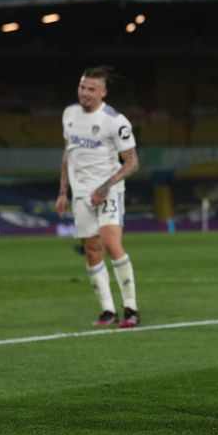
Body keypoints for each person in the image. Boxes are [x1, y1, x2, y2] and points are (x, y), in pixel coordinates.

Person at [56, 65, 141, 328]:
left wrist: (105, 187)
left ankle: (131, 309)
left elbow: (132, 162)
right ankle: (107, 310)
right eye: (82, 87)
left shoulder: (115, 121)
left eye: (91, 89)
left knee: (111, 243)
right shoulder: (69, 114)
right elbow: (68, 154)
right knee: (92, 251)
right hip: (81, 193)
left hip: (109, 190)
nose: (85, 93)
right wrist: (62, 191)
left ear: (103, 92)